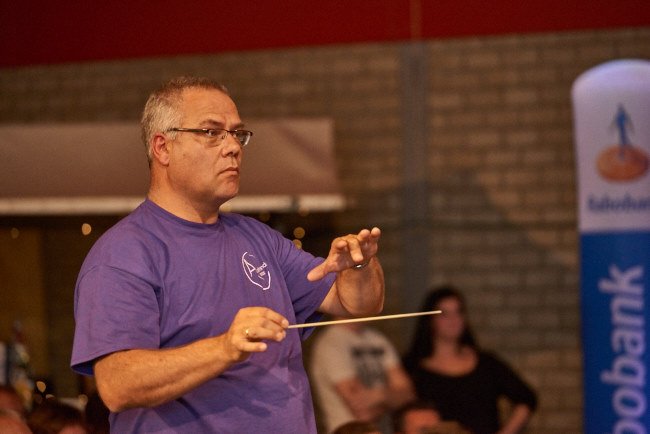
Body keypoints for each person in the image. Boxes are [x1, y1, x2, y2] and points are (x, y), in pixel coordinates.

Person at [70, 76, 385, 433]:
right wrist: (224, 348)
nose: (233, 147)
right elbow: (117, 385)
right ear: (162, 147)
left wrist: (359, 264)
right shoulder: (124, 253)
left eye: (237, 134)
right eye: (211, 133)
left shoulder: (257, 237)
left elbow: (356, 304)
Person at [402, 286, 537, 434]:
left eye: (458, 312)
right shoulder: (412, 367)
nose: (453, 320)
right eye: (444, 314)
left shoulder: (486, 364)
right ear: (430, 320)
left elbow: (526, 398)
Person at [310, 321, 415, 433]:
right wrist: (390, 398)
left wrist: (379, 395)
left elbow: (408, 396)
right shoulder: (331, 343)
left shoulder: (377, 338)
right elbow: (363, 412)